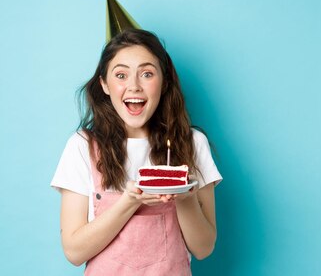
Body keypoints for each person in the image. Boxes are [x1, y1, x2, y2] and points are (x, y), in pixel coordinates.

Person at [50, 28, 222, 275]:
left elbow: (204, 248)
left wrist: (185, 198)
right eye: (121, 75)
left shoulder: (193, 143)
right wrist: (129, 201)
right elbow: (74, 252)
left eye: (147, 74)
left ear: (164, 83)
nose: (134, 86)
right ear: (104, 84)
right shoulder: (81, 146)